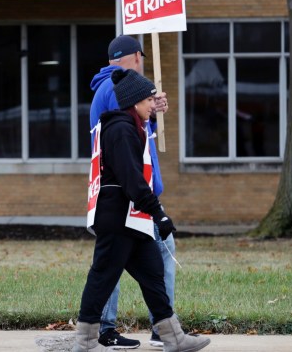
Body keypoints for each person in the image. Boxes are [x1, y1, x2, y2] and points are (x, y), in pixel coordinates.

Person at [74, 69, 210, 352]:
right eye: (149, 99)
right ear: (134, 101)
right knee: (103, 275)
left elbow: (136, 180)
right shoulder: (121, 130)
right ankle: (86, 341)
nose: (153, 104)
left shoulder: (132, 127)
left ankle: (172, 337)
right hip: (116, 218)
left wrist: (151, 212)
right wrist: (158, 212)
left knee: (152, 273)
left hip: (133, 219)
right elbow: (132, 180)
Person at [89, 35, 174, 349]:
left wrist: (152, 109)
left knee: (114, 263)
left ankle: (112, 328)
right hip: (130, 198)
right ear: (137, 56)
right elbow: (125, 147)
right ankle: (158, 330)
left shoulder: (110, 87)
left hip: (127, 196)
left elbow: (136, 133)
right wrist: (150, 203)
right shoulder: (116, 88)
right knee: (118, 264)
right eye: (148, 100)